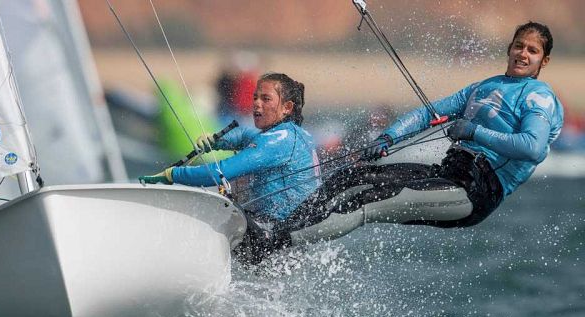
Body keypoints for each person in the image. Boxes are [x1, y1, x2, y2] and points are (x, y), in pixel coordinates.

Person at [280, 21, 564, 244]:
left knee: (364, 202)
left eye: (532, 50)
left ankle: (275, 244)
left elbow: (533, 147)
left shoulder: (539, 96)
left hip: (476, 190)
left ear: (544, 61)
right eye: (519, 46)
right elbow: (427, 113)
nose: (522, 54)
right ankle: (282, 227)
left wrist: (474, 131)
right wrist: (387, 137)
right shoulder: (484, 86)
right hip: (448, 172)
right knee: (352, 175)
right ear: (510, 48)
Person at [140, 73, 320, 263]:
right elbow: (245, 134)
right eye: (255, 97)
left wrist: (172, 175)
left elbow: (219, 173)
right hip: (290, 235)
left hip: (275, 238)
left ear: (287, 107)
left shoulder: (277, 141)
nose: (257, 104)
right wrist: (218, 141)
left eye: (266, 99)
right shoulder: (296, 134)